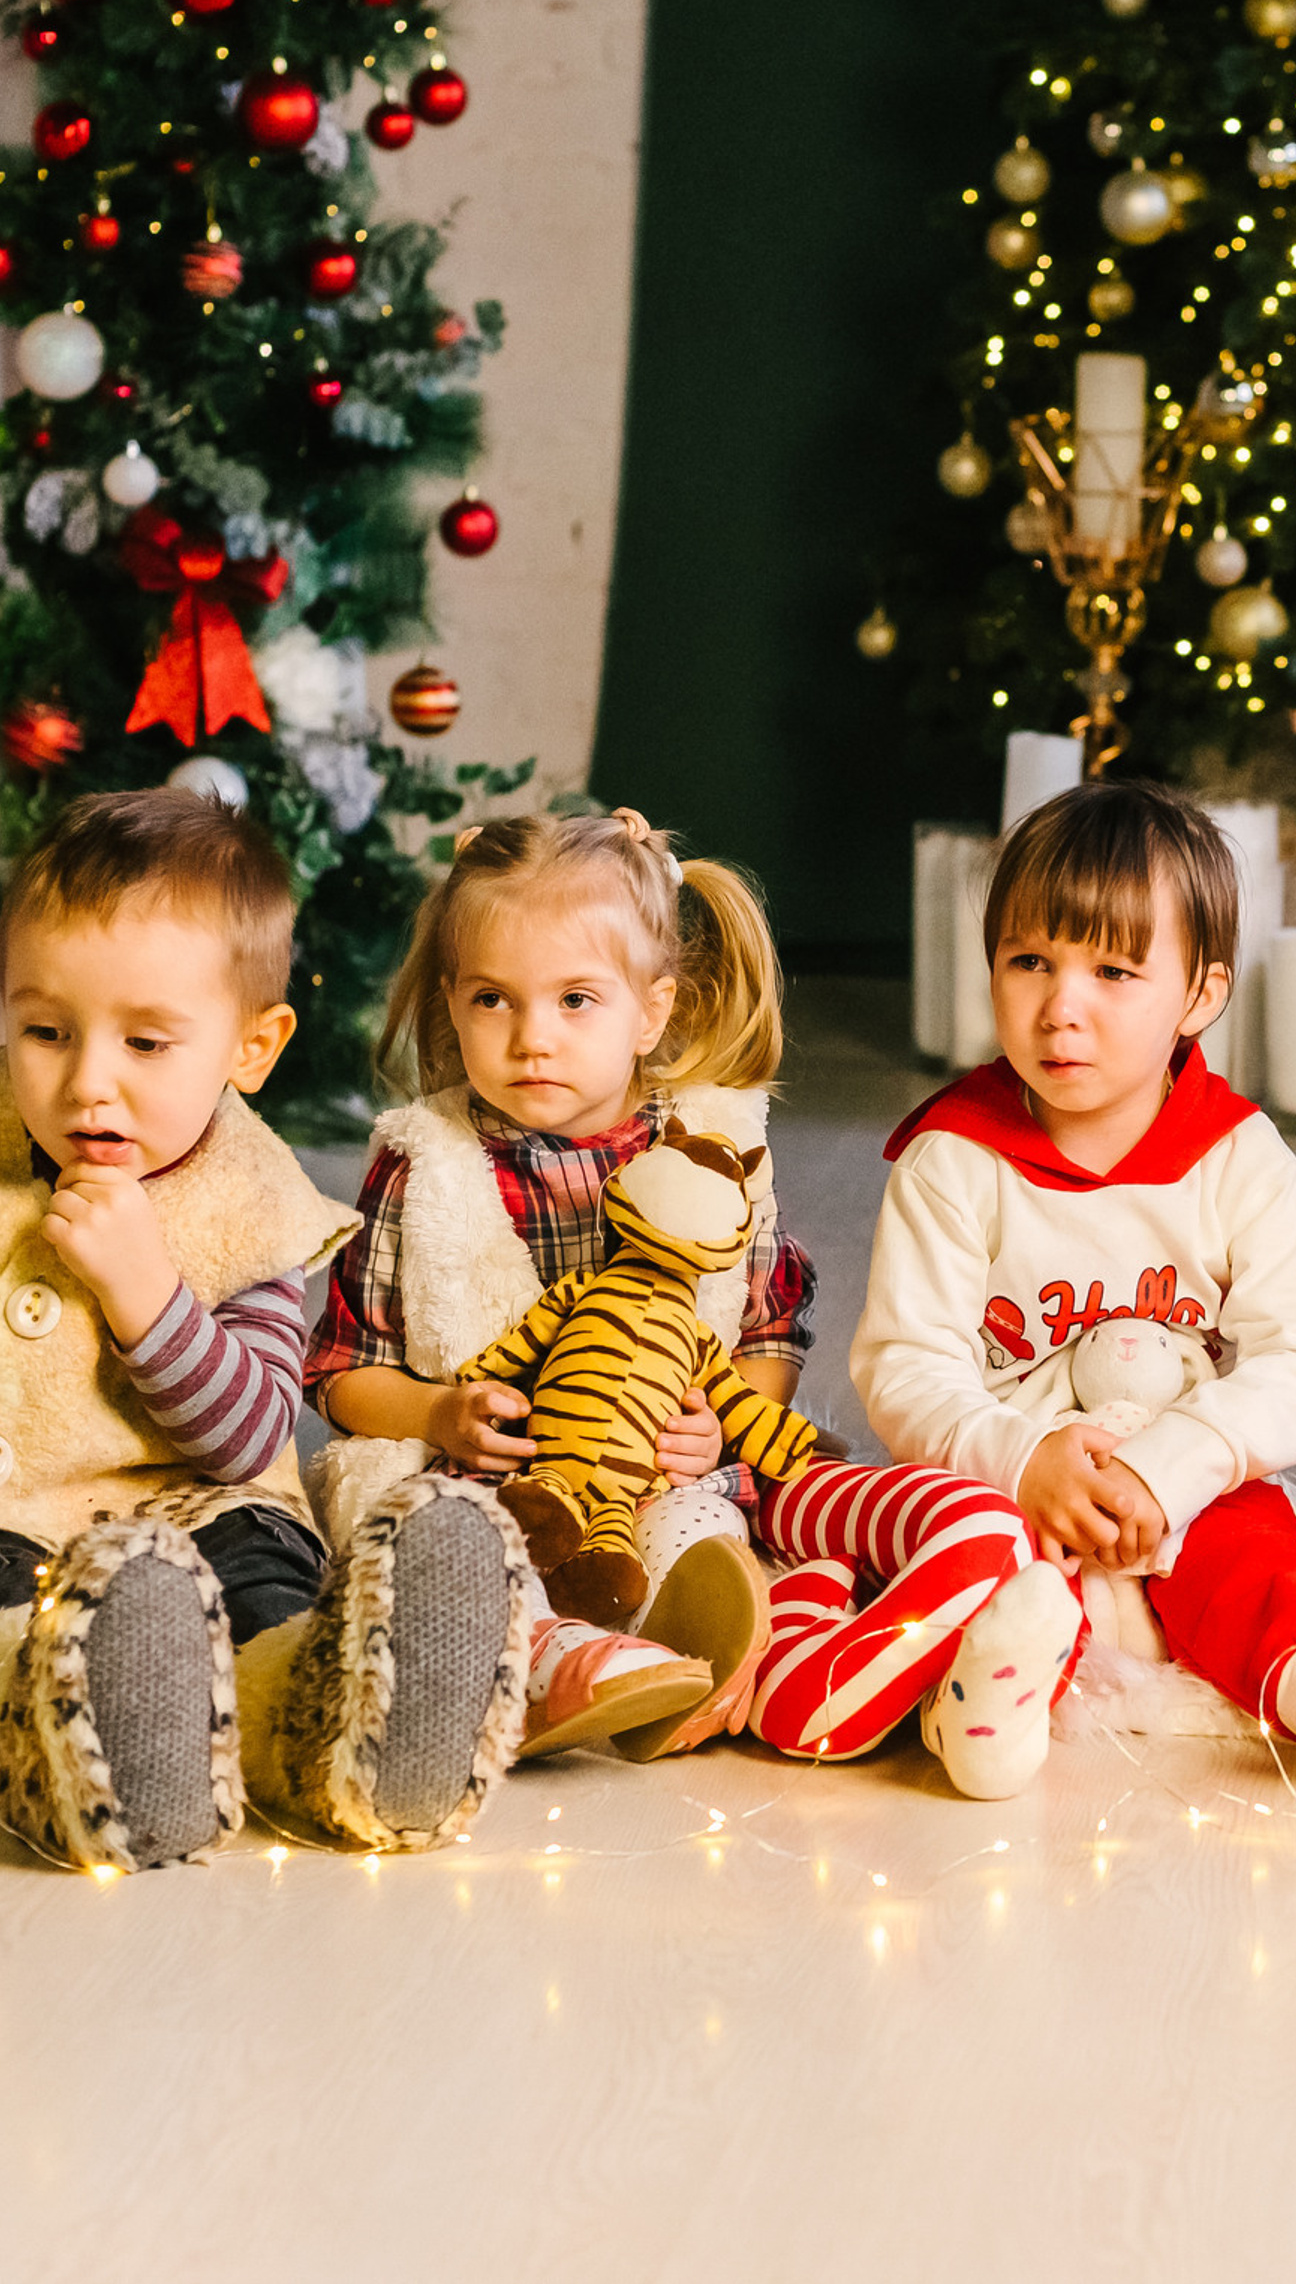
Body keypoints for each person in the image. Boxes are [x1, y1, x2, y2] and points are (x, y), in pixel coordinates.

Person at [310, 806, 1058, 1801]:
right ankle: (540, 1660)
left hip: (653, 1472)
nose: (533, 1037)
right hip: (487, 1483)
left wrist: (722, 1419)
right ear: (452, 1001)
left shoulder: (704, 1149)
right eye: (494, 999)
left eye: (577, 999)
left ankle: (720, 1649)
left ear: (651, 1010)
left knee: (703, 1531)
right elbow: (343, 1371)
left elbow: (767, 1325)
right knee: (444, 1544)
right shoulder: (425, 1165)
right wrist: (437, 1411)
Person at [850, 779, 1296, 1801]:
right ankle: (989, 1691)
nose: (1061, 1008)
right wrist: (1022, 1456)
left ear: (1201, 994)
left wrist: (1176, 1464)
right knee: (969, 1557)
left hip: (1187, 1495)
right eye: (1029, 961)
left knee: (1253, 1559)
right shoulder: (953, 1158)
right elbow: (903, 1365)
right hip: (1015, 1489)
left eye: (1115, 971)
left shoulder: (1235, 1157)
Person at [0, 788, 527, 1870]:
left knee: (264, 1593)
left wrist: (148, 1293)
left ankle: (349, 1728)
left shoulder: (254, 1202)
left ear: (252, 1045)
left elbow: (245, 1435)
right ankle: (97, 1744)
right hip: (22, 1524)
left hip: (206, 1506)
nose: (87, 1080)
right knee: (14, 1626)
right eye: (45, 1030)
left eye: (146, 1042)